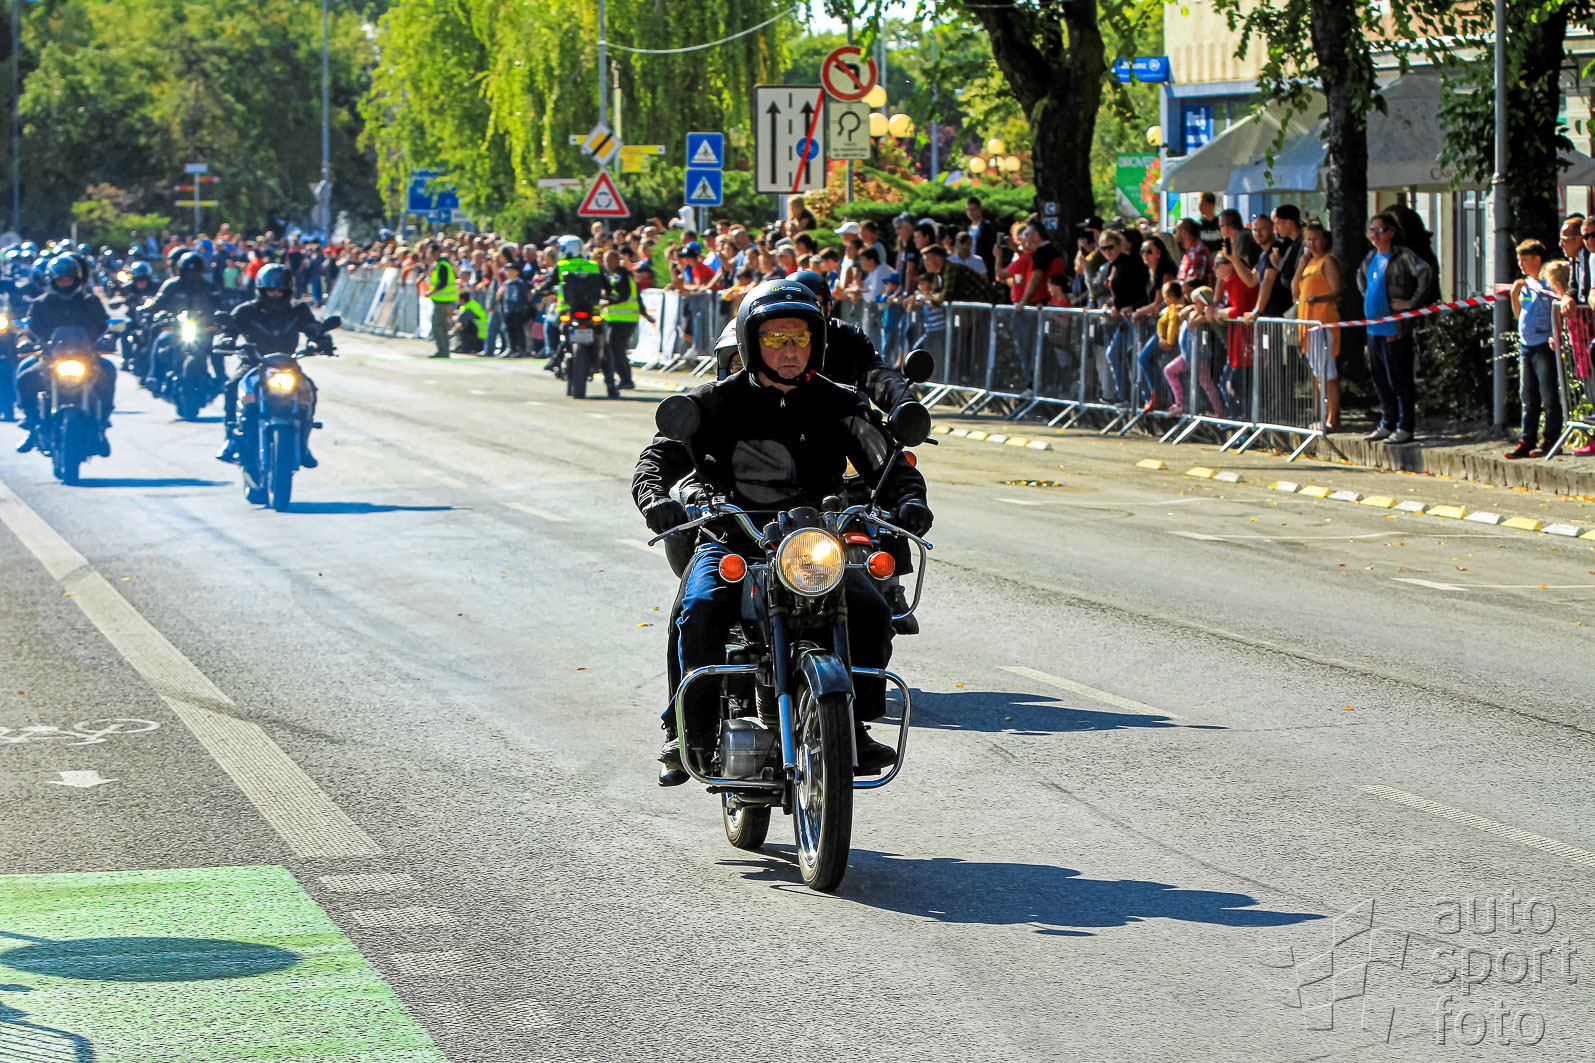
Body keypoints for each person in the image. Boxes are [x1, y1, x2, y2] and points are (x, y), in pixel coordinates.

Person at [631, 280, 931, 785]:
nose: (789, 351)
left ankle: (853, 725)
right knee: (699, 609)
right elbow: (657, 459)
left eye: (800, 338)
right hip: (733, 539)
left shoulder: (839, 403)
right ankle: (688, 730)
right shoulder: (713, 403)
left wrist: (910, 500)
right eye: (775, 339)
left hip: (813, 543)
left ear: (817, 342)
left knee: (871, 609)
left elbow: (887, 463)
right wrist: (655, 499)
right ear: (752, 343)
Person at [216, 263, 333, 467]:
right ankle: (231, 439)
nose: (275, 294)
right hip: (254, 363)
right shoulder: (246, 310)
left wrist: (322, 339)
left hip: (288, 364)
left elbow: (312, 327)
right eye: (271, 290)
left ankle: (303, 445)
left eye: (280, 290)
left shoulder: (297, 310)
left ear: (288, 290)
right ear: (261, 290)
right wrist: (227, 339)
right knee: (233, 385)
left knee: (309, 389)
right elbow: (230, 329)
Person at [15, 255, 114, 454]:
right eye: (61, 280)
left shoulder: (90, 301)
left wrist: (109, 337)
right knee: (25, 377)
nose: (65, 283)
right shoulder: (41, 303)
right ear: (52, 281)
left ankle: (101, 425)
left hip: (86, 358)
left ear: (77, 280)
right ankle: (32, 425)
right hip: (50, 359)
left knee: (109, 371)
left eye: (69, 279)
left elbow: (105, 326)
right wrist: (25, 341)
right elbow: (29, 329)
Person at [1355, 210, 1434, 444]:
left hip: (1395, 327)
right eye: (1372, 231)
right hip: (1374, 327)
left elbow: (1425, 272)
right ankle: (1387, 422)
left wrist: (1411, 303)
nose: (1375, 236)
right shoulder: (1371, 257)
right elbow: (1360, 278)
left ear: (1390, 232)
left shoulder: (1403, 255)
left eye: (1379, 231)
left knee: (1399, 377)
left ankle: (1405, 425)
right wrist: (1369, 297)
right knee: (1380, 378)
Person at [1505, 240, 1561, 459]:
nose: (1521, 264)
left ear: (1537, 260)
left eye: (1525, 260)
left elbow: (1556, 310)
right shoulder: (1527, 284)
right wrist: (1514, 295)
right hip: (1526, 346)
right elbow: (1520, 314)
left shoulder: (1548, 283)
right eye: (1519, 260)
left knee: (1548, 394)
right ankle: (1527, 439)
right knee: (1528, 396)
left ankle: (1551, 438)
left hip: (1543, 345)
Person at [143, 250, 223, 383]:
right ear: (181, 270)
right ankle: (154, 376)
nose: (192, 276)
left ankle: (221, 378)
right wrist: (150, 310)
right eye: (188, 272)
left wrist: (221, 316)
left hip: (202, 328)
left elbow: (220, 304)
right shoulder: (171, 285)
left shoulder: (209, 287)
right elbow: (158, 301)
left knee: (217, 347)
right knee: (161, 340)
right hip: (176, 327)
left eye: (196, 272)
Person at [1292, 220, 1342, 431]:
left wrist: (1319, 299)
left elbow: (1337, 290)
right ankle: (1322, 412)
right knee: (1318, 372)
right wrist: (1300, 266)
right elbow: (1295, 291)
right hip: (1307, 324)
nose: (1311, 243)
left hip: (1323, 322)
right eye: (1308, 240)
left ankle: (1333, 416)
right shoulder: (1309, 263)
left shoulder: (1328, 261)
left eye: (1315, 239)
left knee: (1327, 372)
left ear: (1324, 241)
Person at [602, 249, 649, 389]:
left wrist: (608, 301)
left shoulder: (620, 274)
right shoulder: (617, 275)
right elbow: (636, 295)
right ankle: (624, 379)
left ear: (617, 260)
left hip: (623, 319)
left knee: (616, 349)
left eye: (610, 260)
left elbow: (624, 294)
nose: (607, 263)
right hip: (619, 319)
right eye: (605, 260)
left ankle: (626, 380)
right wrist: (645, 313)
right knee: (615, 349)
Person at [420, 240, 457, 359]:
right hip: (442, 300)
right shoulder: (441, 265)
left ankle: (443, 351)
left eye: (431, 253)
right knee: (442, 326)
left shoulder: (442, 265)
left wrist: (431, 292)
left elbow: (443, 283)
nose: (430, 255)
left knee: (437, 326)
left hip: (442, 301)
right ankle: (444, 350)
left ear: (436, 252)